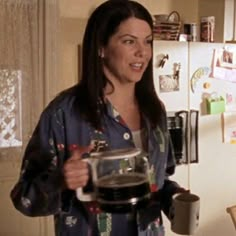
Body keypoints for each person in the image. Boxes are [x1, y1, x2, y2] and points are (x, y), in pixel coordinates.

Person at [10, 1, 186, 235]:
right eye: (129, 41)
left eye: (147, 41)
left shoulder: (155, 111)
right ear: (101, 47)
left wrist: (175, 198)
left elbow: (160, 179)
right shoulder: (64, 113)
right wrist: (61, 180)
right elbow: (24, 196)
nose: (142, 52)